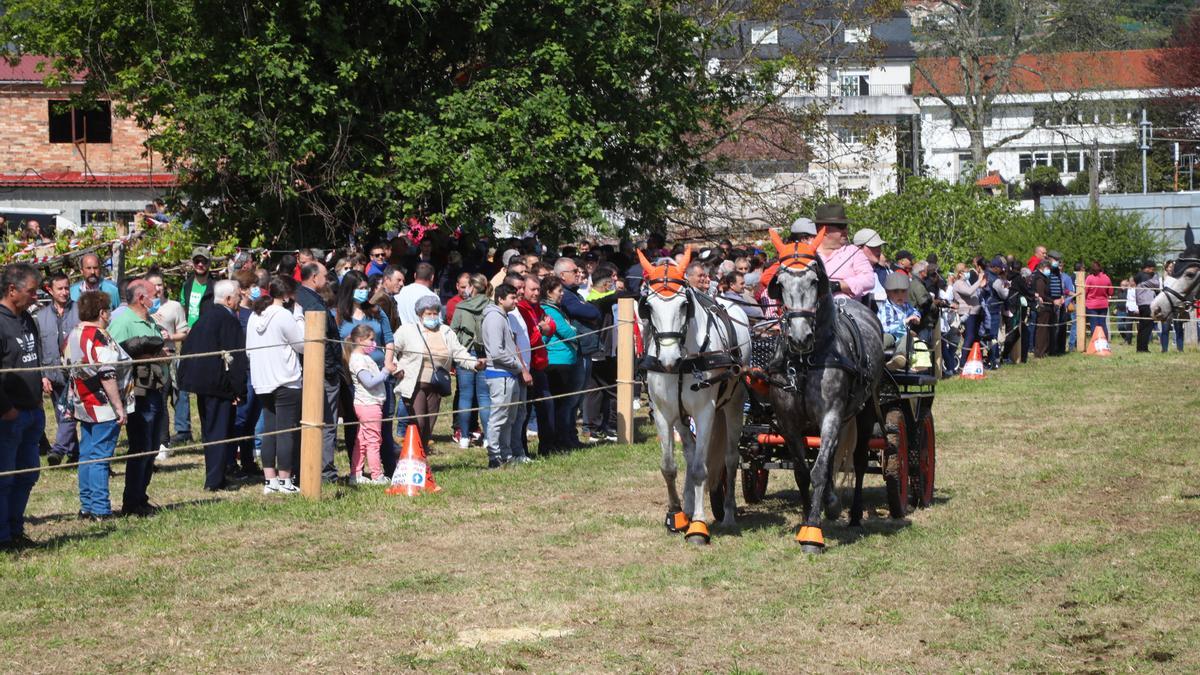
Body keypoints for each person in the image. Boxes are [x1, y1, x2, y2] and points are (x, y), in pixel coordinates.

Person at [177, 280, 249, 492]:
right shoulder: (228, 320)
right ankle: (214, 480)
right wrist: (238, 389)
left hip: (202, 383)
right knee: (218, 431)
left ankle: (217, 473)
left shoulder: (205, 317)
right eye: (237, 295)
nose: (239, 299)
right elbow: (236, 358)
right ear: (228, 299)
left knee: (211, 430)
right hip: (219, 384)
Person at [64, 291, 130, 521]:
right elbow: (107, 373)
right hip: (102, 406)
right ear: (102, 313)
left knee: (87, 455)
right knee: (100, 457)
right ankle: (101, 509)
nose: (110, 314)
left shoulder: (73, 333)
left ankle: (87, 505)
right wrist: (119, 407)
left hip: (83, 403)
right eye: (109, 310)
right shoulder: (99, 335)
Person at [106, 279, 168, 516]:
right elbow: (111, 354)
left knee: (152, 448)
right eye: (154, 293)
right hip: (138, 394)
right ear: (142, 298)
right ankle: (131, 503)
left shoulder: (149, 320)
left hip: (156, 388)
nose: (158, 295)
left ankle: (141, 497)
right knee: (140, 447)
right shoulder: (122, 322)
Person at [394, 295, 482, 454]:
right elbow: (391, 350)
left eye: (435, 313)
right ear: (420, 314)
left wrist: (474, 363)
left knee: (429, 424)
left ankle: (422, 453)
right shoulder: (407, 330)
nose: (433, 317)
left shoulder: (445, 331)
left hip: (437, 383)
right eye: (429, 313)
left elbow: (459, 352)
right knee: (419, 421)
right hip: (415, 383)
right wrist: (396, 368)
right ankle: (412, 453)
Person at [0, 263, 46, 548]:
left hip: (33, 412)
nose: (35, 297)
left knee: (28, 474)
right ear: (12, 289)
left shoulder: (28, 319)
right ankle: (2, 536)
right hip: (8, 415)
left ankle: (16, 530)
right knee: (4, 479)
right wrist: (6, 409)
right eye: (31, 291)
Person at [246, 275, 304, 495]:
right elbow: (302, 345)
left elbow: (249, 350)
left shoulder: (254, 315)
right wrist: (298, 318)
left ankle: (270, 480)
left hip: (262, 379)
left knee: (270, 429)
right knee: (286, 431)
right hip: (285, 378)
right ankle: (285, 480)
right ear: (288, 294)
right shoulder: (283, 315)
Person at [336, 270, 398, 475]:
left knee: (384, 424)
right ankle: (358, 470)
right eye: (359, 289)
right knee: (356, 427)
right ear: (349, 290)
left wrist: (388, 365)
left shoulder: (376, 312)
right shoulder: (338, 317)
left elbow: (389, 339)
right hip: (353, 380)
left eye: (365, 289)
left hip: (381, 376)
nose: (364, 293)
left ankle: (389, 467)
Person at [294, 262, 342, 482]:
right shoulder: (311, 302)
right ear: (314, 277)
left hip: (317, 368)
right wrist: (332, 369)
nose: (327, 278)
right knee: (326, 422)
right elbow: (320, 336)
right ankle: (325, 471)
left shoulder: (300, 296)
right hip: (322, 370)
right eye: (324, 275)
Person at [552, 257, 601, 448]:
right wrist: (590, 309)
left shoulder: (574, 293)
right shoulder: (567, 296)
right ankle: (566, 438)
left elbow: (589, 310)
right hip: (577, 351)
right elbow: (589, 312)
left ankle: (570, 436)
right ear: (563, 275)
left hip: (585, 350)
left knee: (578, 396)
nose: (578, 273)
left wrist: (589, 308)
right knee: (572, 398)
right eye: (574, 271)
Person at [482, 284, 531, 468]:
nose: (516, 301)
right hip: (500, 375)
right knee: (499, 417)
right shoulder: (495, 318)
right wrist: (519, 366)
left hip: (508, 374)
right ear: (500, 299)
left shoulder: (504, 317)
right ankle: (494, 456)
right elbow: (496, 352)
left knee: (509, 418)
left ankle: (506, 453)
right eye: (512, 297)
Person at [35, 272, 80, 466]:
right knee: (61, 413)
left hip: (78, 373)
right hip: (54, 374)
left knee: (72, 413)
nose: (64, 292)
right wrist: (44, 376)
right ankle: (74, 453)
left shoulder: (80, 310)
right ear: (50, 290)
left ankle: (59, 449)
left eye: (66, 288)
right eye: (60, 288)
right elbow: (39, 348)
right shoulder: (41, 316)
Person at [172, 246, 214, 446]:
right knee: (182, 385)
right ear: (192, 263)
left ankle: (208, 429)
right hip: (188, 341)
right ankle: (183, 429)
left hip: (208, 342)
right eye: (197, 261)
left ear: (209, 263)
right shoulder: (187, 285)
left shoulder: (215, 287)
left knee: (206, 387)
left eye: (203, 261)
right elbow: (182, 308)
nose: (200, 264)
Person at [145, 271, 188, 460]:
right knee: (151, 401)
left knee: (164, 400)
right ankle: (152, 440)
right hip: (148, 360)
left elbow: (184, 332)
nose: (157, 288)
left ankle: (164, 442)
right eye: (153, 285)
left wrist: (170, 337)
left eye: (160, 284)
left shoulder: (174, 307)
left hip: (168, 359)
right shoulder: (143, 308)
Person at [344, 325, 394, 484]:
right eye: (371, 339)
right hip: (369, 405)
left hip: (369, 404)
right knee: (374, 441)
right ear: (360, 340)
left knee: (363, 440)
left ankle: (356, 474)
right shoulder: (358, 360)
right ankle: (376, 475)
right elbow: (369, 382)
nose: (374, 343)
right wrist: (386, 371)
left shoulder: (363, 357)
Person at [449, 273, 491, 449]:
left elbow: (452, 331)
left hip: (464, 353)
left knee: (465, 396)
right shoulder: (491, 305)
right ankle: (489, 437)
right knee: (484, 398)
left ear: (472, 287)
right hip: (485, 354)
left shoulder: (461, 306)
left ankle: (464, 437)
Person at [516, 273, 556, 454]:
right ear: (523, 290)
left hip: (540, 364)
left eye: (539, 289)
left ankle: (547, 447)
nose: (536, 293)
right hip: (527, 365)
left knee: (546, 406)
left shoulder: (537, 307)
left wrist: (546, 328)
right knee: (524, 410)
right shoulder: (521, 309)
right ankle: (521, 448)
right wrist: (541, 329)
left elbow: (551, 325)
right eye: (533, 289)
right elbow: (528, 338)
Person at [582, 264, 620, 444]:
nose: (615, 283)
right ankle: (611, 427)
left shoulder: (601, 297)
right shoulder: (596, 300)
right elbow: (615, 297)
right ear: (605, 285)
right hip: (601, 352)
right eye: (612, 281)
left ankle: (595, 428)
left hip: (605, 351)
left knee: (595, 391)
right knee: (612, 390)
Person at [813, 204, 875, 301]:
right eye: (841, 226)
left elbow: (869, 280)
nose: (846, 230)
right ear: (824, 230)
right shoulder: (807, 252)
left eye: (846, 226)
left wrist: (839, 285)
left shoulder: (854, 252)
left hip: (848, 308)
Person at [877, 272, 921, 370]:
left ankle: (899, 358)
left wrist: (916, 316)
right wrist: (904, 322)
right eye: (896, 292)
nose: (900, 295)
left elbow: (915, 311)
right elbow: (886, 327)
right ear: (888, 292)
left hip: (901, 337)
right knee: (885, 339)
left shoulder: (906, 306)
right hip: (888, 334)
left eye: (903, 291)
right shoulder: (886, 308)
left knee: (907, 338)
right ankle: (873, 353)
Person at [953, 261, 987, 362]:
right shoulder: (958, 283)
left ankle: (974, 358)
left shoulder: (964, 283)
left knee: (975, 337)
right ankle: (963, 361)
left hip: (974, 312)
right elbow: (969, 292)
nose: (968, 272)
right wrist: (979, 280)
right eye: (966, 271)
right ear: (960, 273)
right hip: (968, 313)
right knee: (969, 336)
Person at [396, 262, 439, 326]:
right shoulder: (433, 297)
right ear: (432, 277)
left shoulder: (401, 291)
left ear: (415, 275)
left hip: (403, 333)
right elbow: (436, 322)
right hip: (423, 334)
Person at [1134, 260, 1159, 353]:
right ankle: (1143, 348)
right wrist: (1156, 276)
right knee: (1147, 327)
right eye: (1153, 269)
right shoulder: (1145, 277)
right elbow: (1156, 284)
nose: (1153, 271)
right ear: (1147, 268)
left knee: (1142, 327)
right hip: (1147, 304)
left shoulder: (1139, 276)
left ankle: (1140, 348)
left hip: (1142, 304)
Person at [1083, 261, 1113, 340]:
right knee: (1103, 324)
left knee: (1094, 325)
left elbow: (1085, 292)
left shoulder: (1089, 278)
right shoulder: (1107, 278)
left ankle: (1096, 344)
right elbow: (1111, 292)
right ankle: (1104, 343)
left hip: (1091, 305)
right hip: (1103, 304)